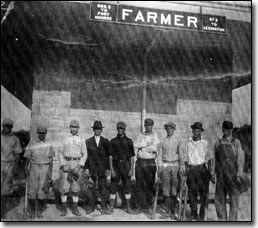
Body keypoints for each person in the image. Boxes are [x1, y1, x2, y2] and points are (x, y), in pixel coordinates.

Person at [213, 121, 245, 221]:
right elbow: (214, 159)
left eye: (227, 129)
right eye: (224, 129)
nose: (225, 131)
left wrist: (239, 174)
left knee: (234, 201)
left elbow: (240, 159)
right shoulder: (218, 143)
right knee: (219, 200)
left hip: (233, 176)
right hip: (221, 176)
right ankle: (222, 220)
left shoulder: (236, 143)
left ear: (231, 130)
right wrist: (213, 173)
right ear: (222, 129)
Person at [183, 122, 212, 221]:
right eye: (194, 130)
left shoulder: (205, 143)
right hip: (191, 170)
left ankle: (202, 214)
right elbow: (186, 159)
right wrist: (186, 171)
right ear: (192, 131)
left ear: (200, 132)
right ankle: (193, 213)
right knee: (192, 193)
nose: (196, 132)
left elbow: (209, 159)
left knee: (203, 193)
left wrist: (211, 173)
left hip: (202, 170)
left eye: (198, 131)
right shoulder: (188, 143)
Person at [24, 126, 54, 218]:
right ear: (37, 133)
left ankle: (39, 211)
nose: (41, 135)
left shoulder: (49, 143)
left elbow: (51, 160)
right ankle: (32, 211)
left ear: (45, 134)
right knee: (32, 191)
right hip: (34, 167)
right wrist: (26, 167)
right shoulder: (32, 142)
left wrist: (50, 174)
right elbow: (27, 157)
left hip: (45, 167)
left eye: (43, 133)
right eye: (40, 133)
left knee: (42, 191)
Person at [59, 120, 87, 216]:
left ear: (78, 128)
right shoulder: (65, 139)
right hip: (67, 163)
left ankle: (75, 209)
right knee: (64, 188)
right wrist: (63, 164)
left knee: (76, 188)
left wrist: (79, 166)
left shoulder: (81, 139)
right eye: (72, 127)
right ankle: (64, 209)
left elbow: (85, 154)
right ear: (69, 128)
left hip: (76, 164)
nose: (73, 129)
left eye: (75, 127)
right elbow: (60, 152)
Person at [157, 121, 185, 220]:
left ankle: (173, 211)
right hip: (165, 165)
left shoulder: (178, 141)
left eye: (171, 128)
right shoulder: (162, 141)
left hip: (175, 166)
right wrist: (159, 166)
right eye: (167, 129)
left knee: (174, 190)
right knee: (166, 190)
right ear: (165, 130)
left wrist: (182, 166)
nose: (169, 130)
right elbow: (159, 155)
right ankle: (167, 211)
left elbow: (181, 155)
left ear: (174, 130)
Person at [133, 118, 160, 215]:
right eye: (146, 125)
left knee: (149, 185)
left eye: (150, 125)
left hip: (150, 162)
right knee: (139, 185)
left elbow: (155, 148)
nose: (148, 127)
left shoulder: (155, 136)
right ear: (144, 126)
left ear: (152, 126)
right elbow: (135, 145)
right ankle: (139, 206)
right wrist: (145, 144)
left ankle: (149, 206)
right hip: (140, 162)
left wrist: (143, 148)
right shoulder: (140, 135)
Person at [108, 121, 135, 214]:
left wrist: (131, 169)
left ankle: (128, 207)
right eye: (119, 128)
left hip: (126, 166)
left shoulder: (129, 141)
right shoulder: (113, 141)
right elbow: (110, 156)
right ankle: (111, 207)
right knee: (113, 187)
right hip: (116, 166)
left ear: (124, 130)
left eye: (122, 129)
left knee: (127, 187)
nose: (120, 130)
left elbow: (132, 157)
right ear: (117, 129)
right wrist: (111, 169)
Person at [84, 121, 110, 215]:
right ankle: (91, 206)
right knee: (91, 188)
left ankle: (104, 206)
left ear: (101, 130)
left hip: (102, 168)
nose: (97, 131)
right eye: (96, 129)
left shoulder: (106, 141)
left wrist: (108, 169)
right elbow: (86, 156)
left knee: (103, 188)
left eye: (99, 129)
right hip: (92, 168)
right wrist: (86, 168)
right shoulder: (88, 141)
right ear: (93, 130)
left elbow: (108, 156)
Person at [1, 118, 22, 219]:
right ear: (2, 126)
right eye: (6, 126)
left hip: (9, 165)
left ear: (12, 128)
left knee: (5, 190)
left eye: (9, 127)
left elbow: (18, 154)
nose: (7, 128)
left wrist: (16, 167)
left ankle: (2, 211)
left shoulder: (15, 139)